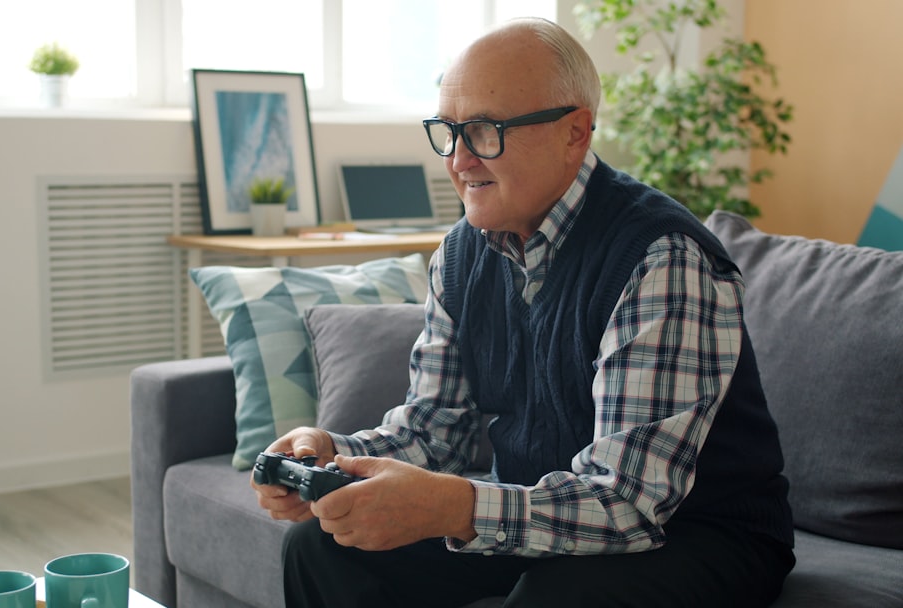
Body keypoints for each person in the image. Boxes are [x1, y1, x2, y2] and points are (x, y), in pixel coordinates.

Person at [253, 17, 794, 608]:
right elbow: (435, 430)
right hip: (542, 511)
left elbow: (631, 505)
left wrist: (455, 506)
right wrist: (333, 458)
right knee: (319, 547)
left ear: (575, 134)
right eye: (448, 131)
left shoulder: (659, 257)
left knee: (554, 596)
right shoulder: (461, 252)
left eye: (485, 131)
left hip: (698, 535)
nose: (458, 161)